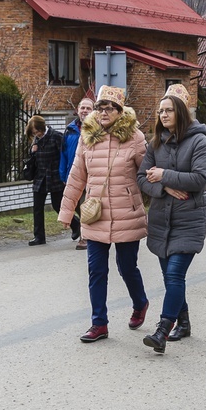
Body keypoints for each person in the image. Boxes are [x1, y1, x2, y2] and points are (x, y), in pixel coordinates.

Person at [57, 86, 150, 343]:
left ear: (121, 112)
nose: (103, 112)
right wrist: (67, 212)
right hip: (95, 215)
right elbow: (77, 177)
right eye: (100, 107)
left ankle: (140, 302)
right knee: (96, 270)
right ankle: (99, 323)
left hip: (126, 214)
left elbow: (147, 175)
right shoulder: (88, 138)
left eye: (109, 108)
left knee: (127, 267)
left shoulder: (135, 137)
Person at [137, 84, 206, 354]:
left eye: (168, 110)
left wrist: (164, 174)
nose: (163, 115)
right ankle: (184, 321)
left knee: (174, 274)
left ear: (181, 112)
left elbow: (200, 179)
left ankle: (162, 330)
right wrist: (164, 186)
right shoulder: (155, 143)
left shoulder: (200, 141)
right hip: (160, 220)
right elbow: (141, 177)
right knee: (171, 279)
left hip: (187, 220)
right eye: (160, 111)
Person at [25, 115, 79, 246]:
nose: (36, 134)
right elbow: (33, 160)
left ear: (42, 127)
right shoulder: (35, 141)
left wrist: (65, 174)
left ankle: (76, 225)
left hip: (55, 176)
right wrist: (32, 152)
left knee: (58, 205)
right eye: (33, 133)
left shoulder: (56, 136)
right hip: (40, 177)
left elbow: (64, 155)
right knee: (37, 207)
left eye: (37, 131)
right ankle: (39, 237)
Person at [59, 97, 95, 250]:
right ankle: (85, 233)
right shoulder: (70, 129)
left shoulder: (98, 129)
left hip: (92, 175)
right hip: (74, 175)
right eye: (83, 108)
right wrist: (63, 175)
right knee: (79, 207)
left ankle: (85, 238)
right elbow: (64, 154)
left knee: (87, 206)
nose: (85, 111)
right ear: (78, 110)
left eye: (88, 108)